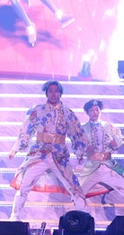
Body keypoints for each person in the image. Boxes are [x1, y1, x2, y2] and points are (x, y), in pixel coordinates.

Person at [8, 80, 88, 220]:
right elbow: (26, 129)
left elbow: (77, 133)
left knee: (73, 185)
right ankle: (15, 217)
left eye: (56, 91)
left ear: (60, 93)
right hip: (40, 154)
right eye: (50, 91)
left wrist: (80, 152)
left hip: (59, 156)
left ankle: (83, 217)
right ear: (46, 93)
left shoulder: (68, 113)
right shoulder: (37, 110)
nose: (53, 94)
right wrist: (16, 148)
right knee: (25, 184)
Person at [77, 99, 124, 216]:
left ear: (100, 111)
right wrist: (84, 148)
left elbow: (121, 140)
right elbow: (77, 145)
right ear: (87, 112)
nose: (95, 112)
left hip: (109, 166)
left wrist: (115, 143)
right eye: (92, 110)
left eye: (97, 110)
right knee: (77, 194)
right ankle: (85, 217)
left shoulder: (109, 127)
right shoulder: (82, 129)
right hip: (91, 167)